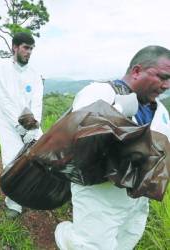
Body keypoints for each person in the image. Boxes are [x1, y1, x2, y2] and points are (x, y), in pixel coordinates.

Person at [55, 45, 170, 250]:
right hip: (100, 194)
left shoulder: (160, 110)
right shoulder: (100, 92)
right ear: (137, 71)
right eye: (162, 77)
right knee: (90, 245)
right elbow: (80, 138)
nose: (166, 85)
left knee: (126, 240)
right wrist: (117, 111)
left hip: (135, 199)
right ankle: (65, 236)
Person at [0, 32, 44, 218]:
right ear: (15, 47)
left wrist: (34, 127)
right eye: (25, 48)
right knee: (11, 161)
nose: (29, 52)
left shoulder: (34, 74)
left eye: (31, 49)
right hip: (8, 125)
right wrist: (19, 126)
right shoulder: (1, 71)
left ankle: (32, 195)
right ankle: (14, 204)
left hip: (31, 126)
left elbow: (37, 102)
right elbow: (4, 102)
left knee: (40, 159)